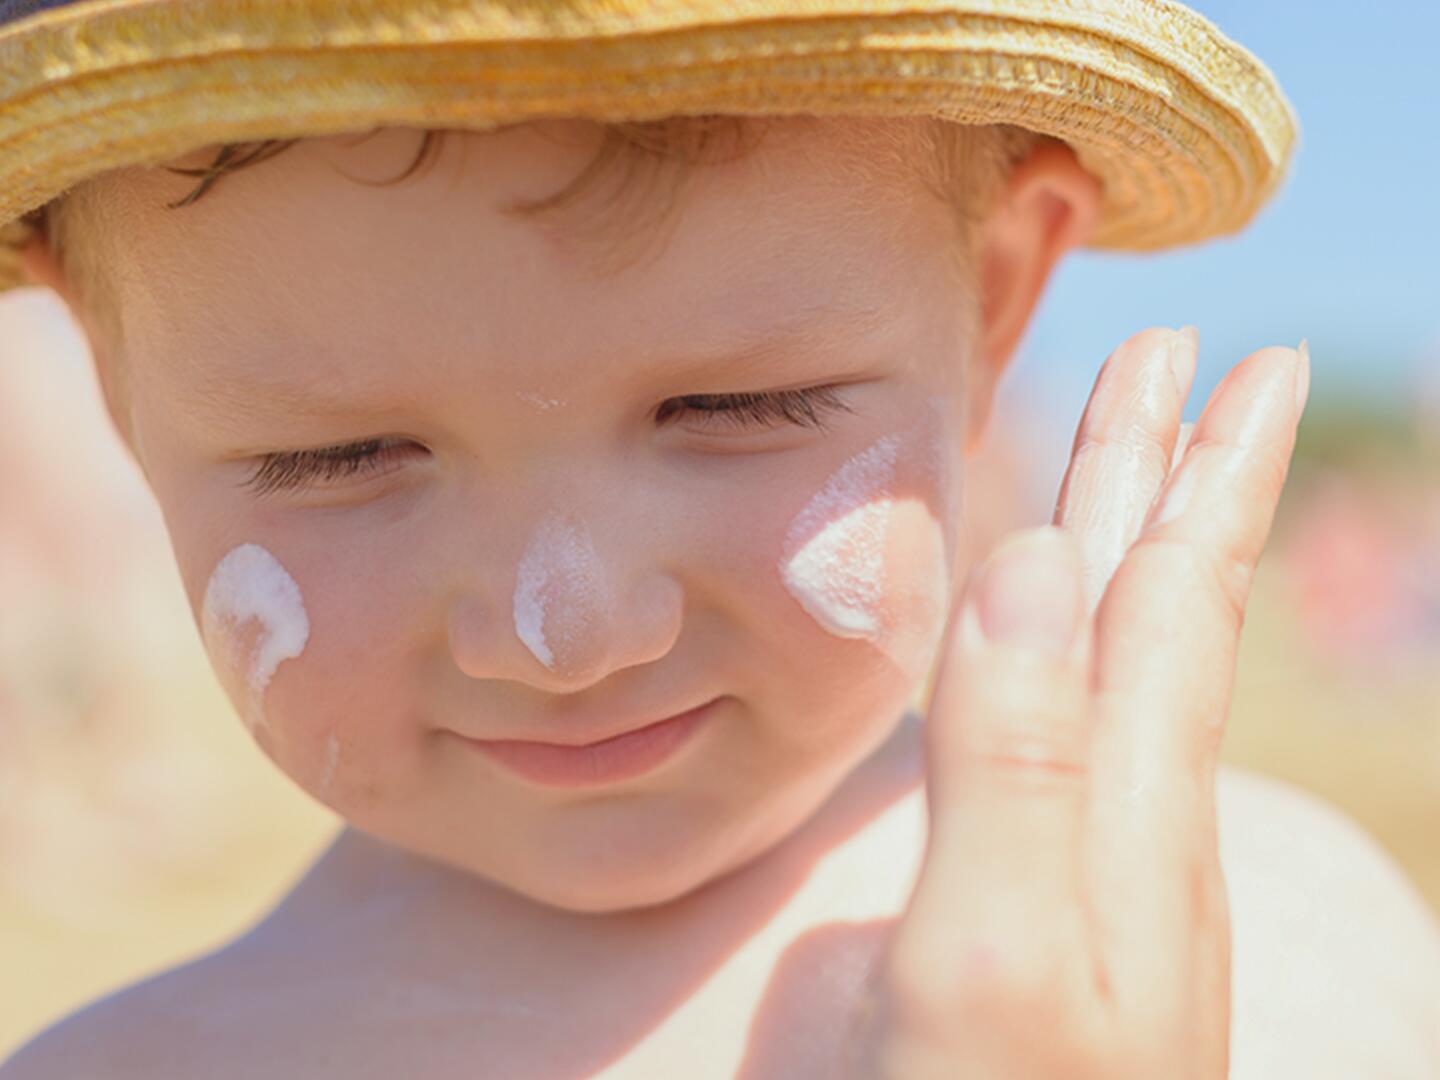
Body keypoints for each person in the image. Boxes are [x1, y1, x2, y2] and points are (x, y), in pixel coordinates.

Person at [1, 2, 1437, 1076]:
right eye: (338, 456)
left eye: (740, 406)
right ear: (118, 384)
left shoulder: (1285, 949)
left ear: (996, 299)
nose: (564, 630)